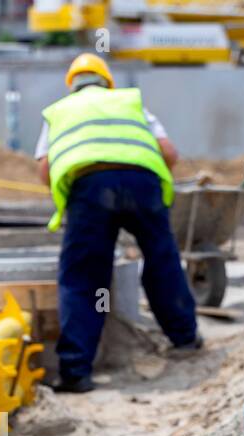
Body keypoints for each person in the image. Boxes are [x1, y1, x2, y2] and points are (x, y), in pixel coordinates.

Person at [36, 53, 201, 393]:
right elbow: (169, 152)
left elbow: (45, 168)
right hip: (143, 183)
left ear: (72, 85)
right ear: (107, 81)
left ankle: (77, 372)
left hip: (91, 187)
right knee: (162, 258)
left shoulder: (61, 111)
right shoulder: (130, 102)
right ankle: (185, 339)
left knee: (83, 276)